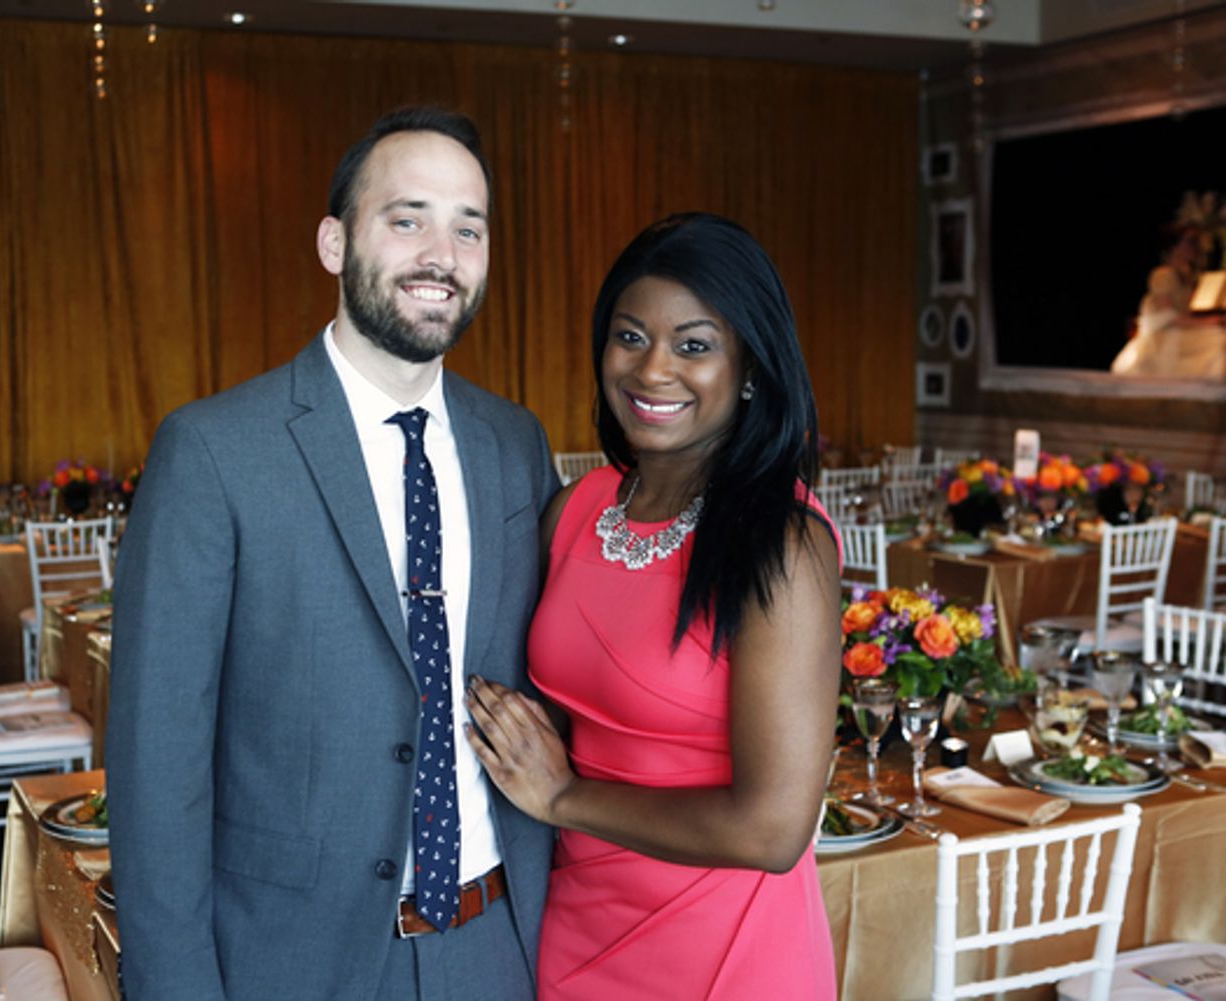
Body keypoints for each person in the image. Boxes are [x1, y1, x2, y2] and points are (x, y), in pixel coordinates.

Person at [106, 107, 559, 1001]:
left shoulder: (516, 443)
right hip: (291, 962)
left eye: (469, 227)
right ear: (332, 241)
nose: (442, 252)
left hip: (500, 945)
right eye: (408, 218)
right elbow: (157, 766)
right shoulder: (213, 451)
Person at [464, 213, 841, 999]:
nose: (653, 369)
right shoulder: (572, 510)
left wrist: (565, 795)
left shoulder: (782, 541)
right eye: (630, 337)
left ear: (747, 367)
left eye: (694, 345)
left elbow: (773, 829)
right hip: (574, 925)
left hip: (725, 948)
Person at [1111, 225, 1226, 379]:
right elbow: (1167, 317)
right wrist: (1208, 322)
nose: (1196, 247)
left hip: (1178, 332)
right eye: (1191, 241)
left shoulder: (1186, 277)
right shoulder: (1163, 275)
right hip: (1164, 338)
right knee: (1217, 340)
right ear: (1175, 246)